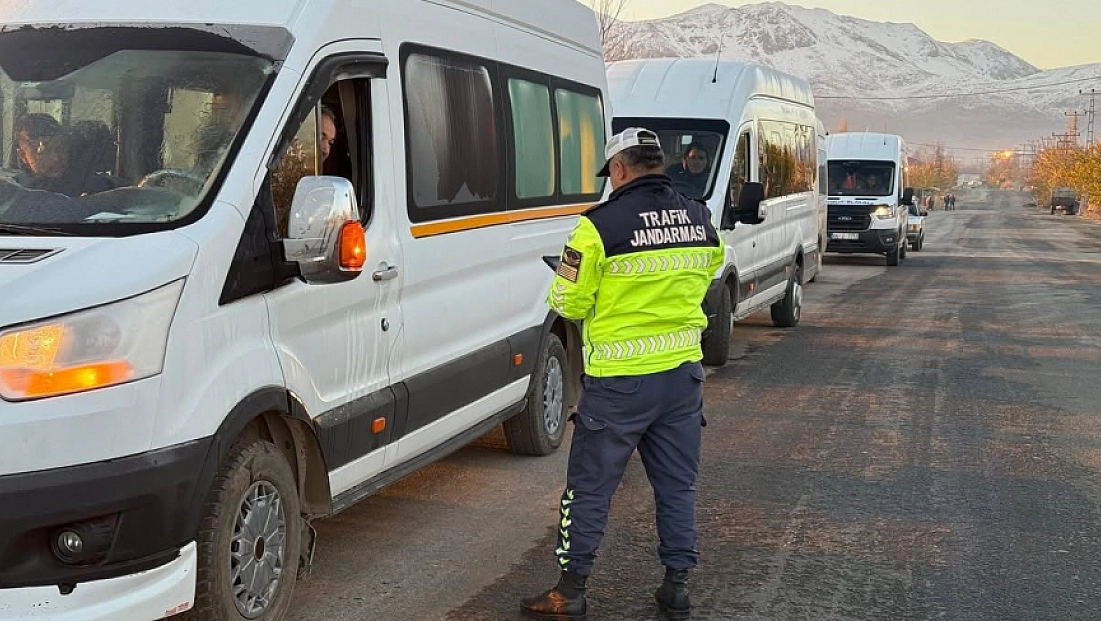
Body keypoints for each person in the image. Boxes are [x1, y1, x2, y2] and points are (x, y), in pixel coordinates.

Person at [522, 128, 724, 621]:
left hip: (619, 382)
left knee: (589, 489)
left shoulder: (597, 227)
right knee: (677, 486)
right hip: (682, 378)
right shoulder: (700, 217)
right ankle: (676, 586)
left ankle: (570, 592)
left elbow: (568, 302)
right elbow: (709, 273)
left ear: (618, 169)